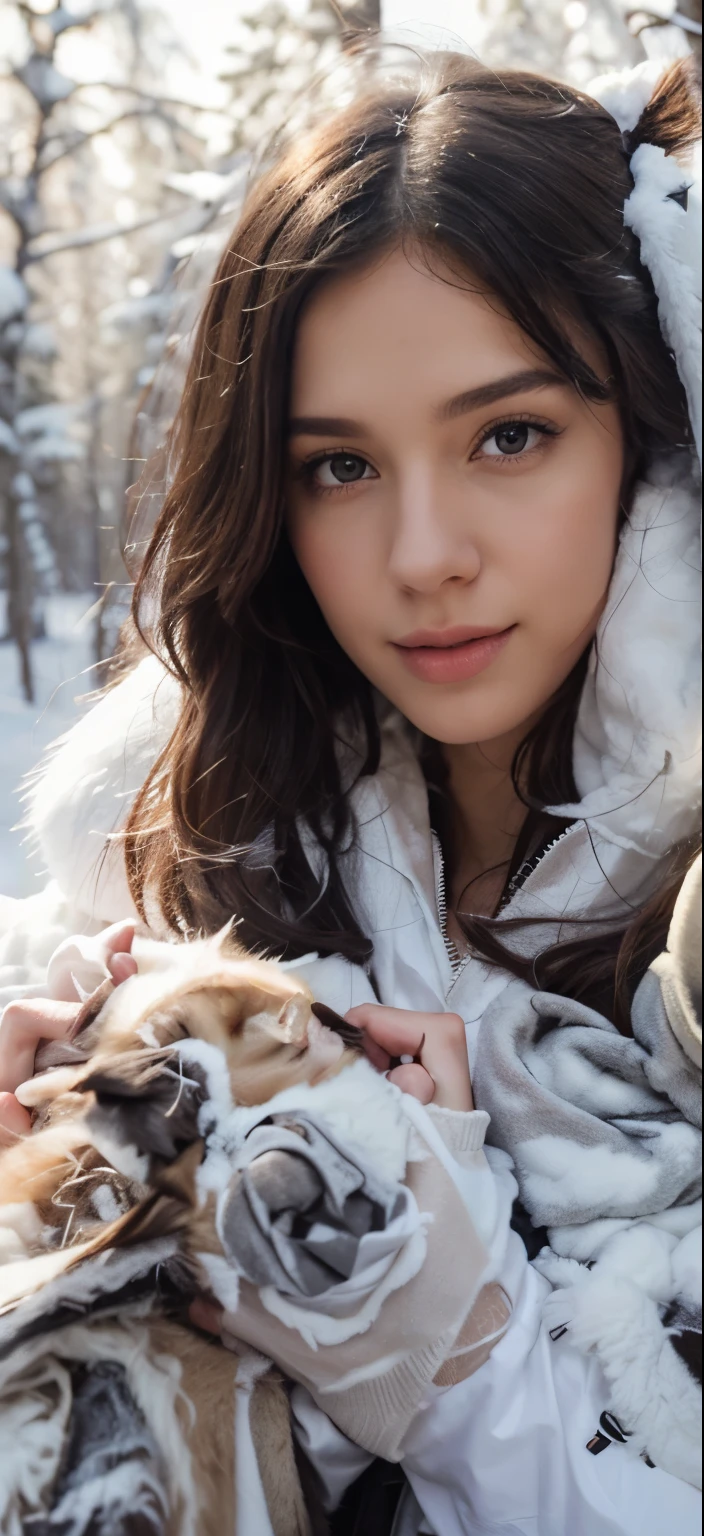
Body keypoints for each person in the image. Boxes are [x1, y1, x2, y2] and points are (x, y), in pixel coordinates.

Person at [0, 45, 701, 1536]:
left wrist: (444, 1348)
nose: (422, 553)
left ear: (655, 442)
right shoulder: (195, 835)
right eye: (338, 468)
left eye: (510, 435)